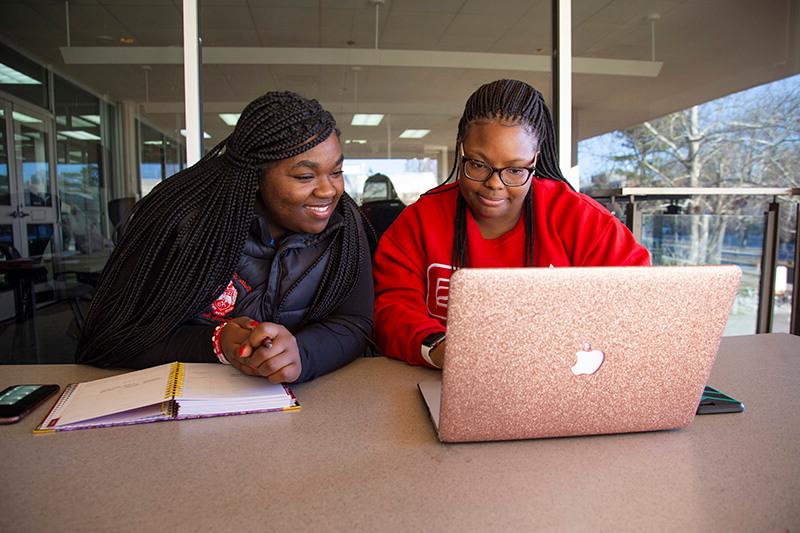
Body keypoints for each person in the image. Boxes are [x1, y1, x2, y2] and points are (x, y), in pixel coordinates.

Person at [77, 91, 374, 384]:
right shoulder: (185, 222)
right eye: (305, 177)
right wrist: (217, 342)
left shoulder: (343, 225)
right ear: (256, 176)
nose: (328, 190)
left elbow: (354, 322)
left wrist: (302, 353)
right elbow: (109, 338)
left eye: (336, 171)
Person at [372, 79, 650, 368]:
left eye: (516, 170)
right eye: (478, 164)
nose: (494, 184)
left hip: (562, 383)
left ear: (535, 160)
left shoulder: (581, 220)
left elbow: (636, 302)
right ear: (461, 148)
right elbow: (391, 308)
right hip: (446, 380)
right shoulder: (419, 220)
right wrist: (440, 348)